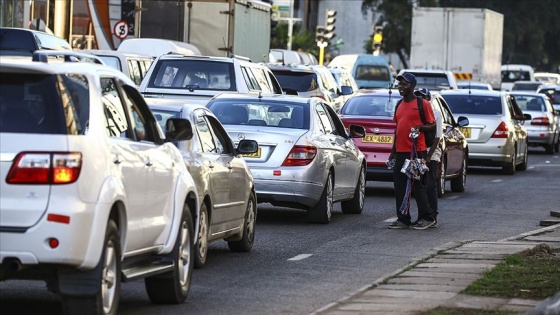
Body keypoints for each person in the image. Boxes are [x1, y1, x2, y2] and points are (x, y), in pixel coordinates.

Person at [387, 73, 437, 230]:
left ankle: (427, 217)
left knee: (417, 185)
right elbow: (398, 129)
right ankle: (403, 218)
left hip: (417, 151)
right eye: (399, 84)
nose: (401, 87)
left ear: (413, 86)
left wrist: (420, 127)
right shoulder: (399, 104)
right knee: (400, 185)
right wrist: (393, 152)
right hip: (401, 151)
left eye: (405, 84)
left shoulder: (423, 104)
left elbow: (432, 125)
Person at [415, 88, 441, 227]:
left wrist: (429, 156)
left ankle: (433, 214)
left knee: (430, 184)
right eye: (418, 98)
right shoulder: (416, 114)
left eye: (423, 98)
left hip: (431, 153)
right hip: (418, 152)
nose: (421, 101)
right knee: (419, 185)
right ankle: (423, 215)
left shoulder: (436, 114)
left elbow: (437, 137)